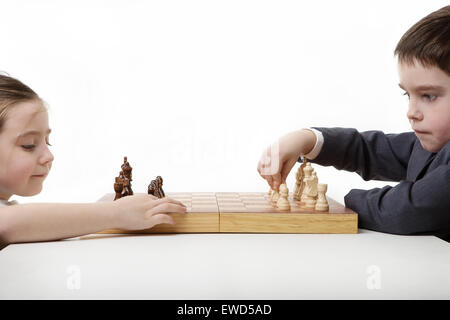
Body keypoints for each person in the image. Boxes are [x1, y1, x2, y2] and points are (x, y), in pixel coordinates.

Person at [257, 5, 450, 241]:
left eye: (429, 96)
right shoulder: (435, 142)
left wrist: (339, 202)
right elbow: (372, 150)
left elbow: (410, 210)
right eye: (407, 95)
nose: (411, 112)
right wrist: (307, 140)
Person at [0, 73, 186, 247]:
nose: (49, 156)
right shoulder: (8, 219)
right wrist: (117, 213)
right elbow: (8, 222)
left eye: (47, 141)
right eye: (29, 145)